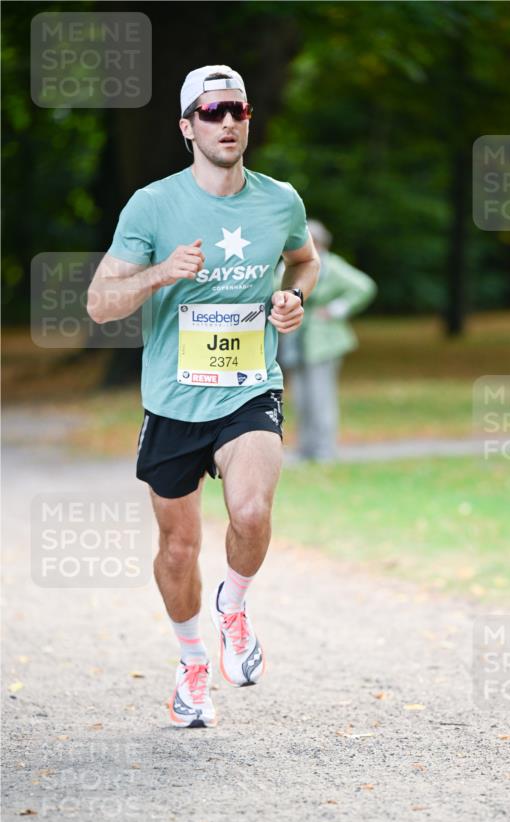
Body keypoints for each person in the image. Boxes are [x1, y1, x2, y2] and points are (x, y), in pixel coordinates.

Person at [87, 65, 320, 728]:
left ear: (248, 121)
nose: (226, 122)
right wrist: (161, 273)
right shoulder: (152, 205)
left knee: (250, 511)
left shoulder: (280, 201)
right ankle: (192, 664)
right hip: (172, 402)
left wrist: (292, 297)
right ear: (187, 127)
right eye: (211, 112)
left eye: (236, 111)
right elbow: (100, 303)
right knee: (178, 549)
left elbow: (305, 260)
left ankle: (233, 607)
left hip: (249, 389)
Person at [279, 220, 376, 461]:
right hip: (296, 341)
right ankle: (305, 449)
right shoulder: (289, 266)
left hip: (324, 343)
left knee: (320, 397)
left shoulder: (332, 266)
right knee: (301, 398)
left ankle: (324, 450)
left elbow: (364, 286)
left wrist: (336, 309)